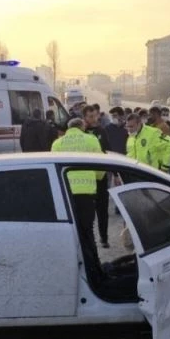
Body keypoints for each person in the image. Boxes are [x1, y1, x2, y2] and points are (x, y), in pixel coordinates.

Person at [51, 117, 103, 259]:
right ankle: (92, 263)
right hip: (86, 193)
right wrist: (97, 178)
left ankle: (75, 262)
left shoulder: (57, 143)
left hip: (65, 193)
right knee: (87, 231)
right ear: (82, 127)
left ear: (68, 128)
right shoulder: (91, 140)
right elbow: (100, 166)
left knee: (71, 232)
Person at [83, 105, 111, 248]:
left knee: (102, 209)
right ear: (84, 117)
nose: (94, 119)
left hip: (100, 176)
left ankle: (104, 238)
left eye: (95, 116)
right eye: (90, 116)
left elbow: (107, 151)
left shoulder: (102, 131)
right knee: (87, 212)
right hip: (85, 178)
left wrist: (113, 172)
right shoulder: (81, 133)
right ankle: (88, 239)